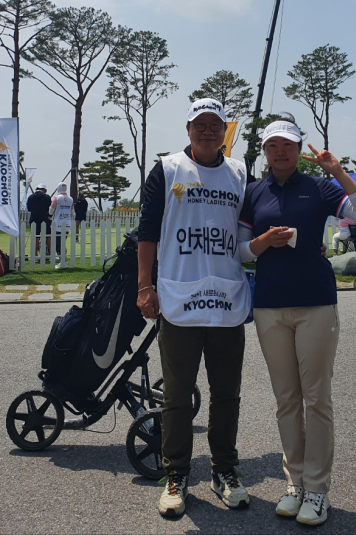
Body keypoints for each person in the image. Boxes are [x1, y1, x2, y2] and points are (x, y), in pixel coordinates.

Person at [238, 121, 356, 526]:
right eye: (273, 145)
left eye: (289, 145)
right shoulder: (254, 192)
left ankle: (317, 490)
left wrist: (338, 172)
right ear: (264, 150)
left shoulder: (321, 186)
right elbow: (243, 252)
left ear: (300, 149)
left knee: (316, 398)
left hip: (316, 301)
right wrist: (265, 243)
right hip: (269, 305)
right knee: (286, 399)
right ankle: (294, 483)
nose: (280, 151)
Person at [137, 98, 252, 519]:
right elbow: (147, 231)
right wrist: (144, 285)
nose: (206, 131)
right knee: (177, 396)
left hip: (226, 300)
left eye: (214, 125)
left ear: (225, 130)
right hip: (179, 299)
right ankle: (177, 474)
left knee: (226, 395)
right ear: (188, 129)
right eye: (199, 124)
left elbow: (248, 232)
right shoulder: (167, 169)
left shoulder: (240, 172)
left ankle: (224, 470)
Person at [27, 183, 51, 255]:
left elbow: (29, 209)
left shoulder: (30, 197)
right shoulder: (47, 197)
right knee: (49, 235)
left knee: (35, 236)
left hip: (34, 218)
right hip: (44, 218)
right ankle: (50, 253)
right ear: (44, 190)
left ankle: (35, 254)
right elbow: (48, 208)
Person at [50, 182, 74, 257]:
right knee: (63, 241)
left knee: (57, 242)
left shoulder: (56, 198)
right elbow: (72, 212)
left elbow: (51, 211)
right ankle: (63, 256)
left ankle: (61, 257)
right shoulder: (70, 199)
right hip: (67, 223)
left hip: (57, 223)